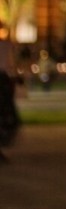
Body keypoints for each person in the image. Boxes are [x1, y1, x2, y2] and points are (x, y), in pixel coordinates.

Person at [0, 22, 22, 163]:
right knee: (5, 117)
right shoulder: (7, 46)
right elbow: (11, 65)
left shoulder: (7, 46)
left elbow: (11, 65)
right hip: (3, 81)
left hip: (4, 81)